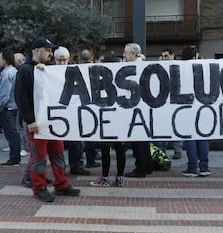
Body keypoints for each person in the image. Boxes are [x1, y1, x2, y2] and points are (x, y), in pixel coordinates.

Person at [14, 37, 80, 202]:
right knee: (39, 157)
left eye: (51, 50)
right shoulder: (25, 70)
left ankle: (61, 184)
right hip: (37, 122)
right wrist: (30, 121)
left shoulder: (48, 68)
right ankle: (39, 188)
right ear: (36, 50)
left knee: (58, 153)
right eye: (47, 50)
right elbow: (21, 98)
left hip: (53, 120)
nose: (51, 53)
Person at [90, 54, 126, 187]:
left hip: (106, 117)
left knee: (105, 148)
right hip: (120, 117)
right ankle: (120, 178)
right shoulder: (122, 77)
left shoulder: (101, 80)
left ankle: (105, 177)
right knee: (120, 148)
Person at [55, 46, 90, 176]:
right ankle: (59, 168)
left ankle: (76, 165)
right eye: (59, 60)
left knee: (76, 140)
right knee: (57, 142)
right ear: (55, 59)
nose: (62, 63)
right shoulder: (49, 70)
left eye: (64, 60)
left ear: (68, 59)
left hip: (73, 111)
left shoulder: (76, 69)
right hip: (58, 112)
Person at [180, 46, 211, 177]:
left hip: (187, 107)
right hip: (202, 107)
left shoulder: (181, 69)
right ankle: (204, 167)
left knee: (190, 138)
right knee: (202, 136)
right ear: (195, 56)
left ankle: (192, 166)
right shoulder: (203, 68)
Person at [123, 43, 153, 178]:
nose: (124, 55)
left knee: (138, 141)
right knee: (144, 140)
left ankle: (140, 168)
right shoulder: (143, 65)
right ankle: (146, 166)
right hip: (142, 108)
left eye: (126, 53)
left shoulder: (136, 67)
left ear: (134, 54)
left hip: (136, 108)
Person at [0, 48, 21, 166]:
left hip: (7, 108)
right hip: (14, 106)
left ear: (5, 59)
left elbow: (4, 93)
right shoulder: (14, 71)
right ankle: (15, 156)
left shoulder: (6, 73)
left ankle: (14, 157)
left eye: (0, 58)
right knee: (14, 132)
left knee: (11, 133)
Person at [159, 47, 183, 159]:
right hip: (163, 102)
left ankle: (177, 150)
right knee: (163, 127)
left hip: (175, 101)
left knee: (177, 126)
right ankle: (162, 151)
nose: (164, 59)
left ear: (173, 55)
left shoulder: (180, 66)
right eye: (163, 56)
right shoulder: (160, 67)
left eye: (166, 56)